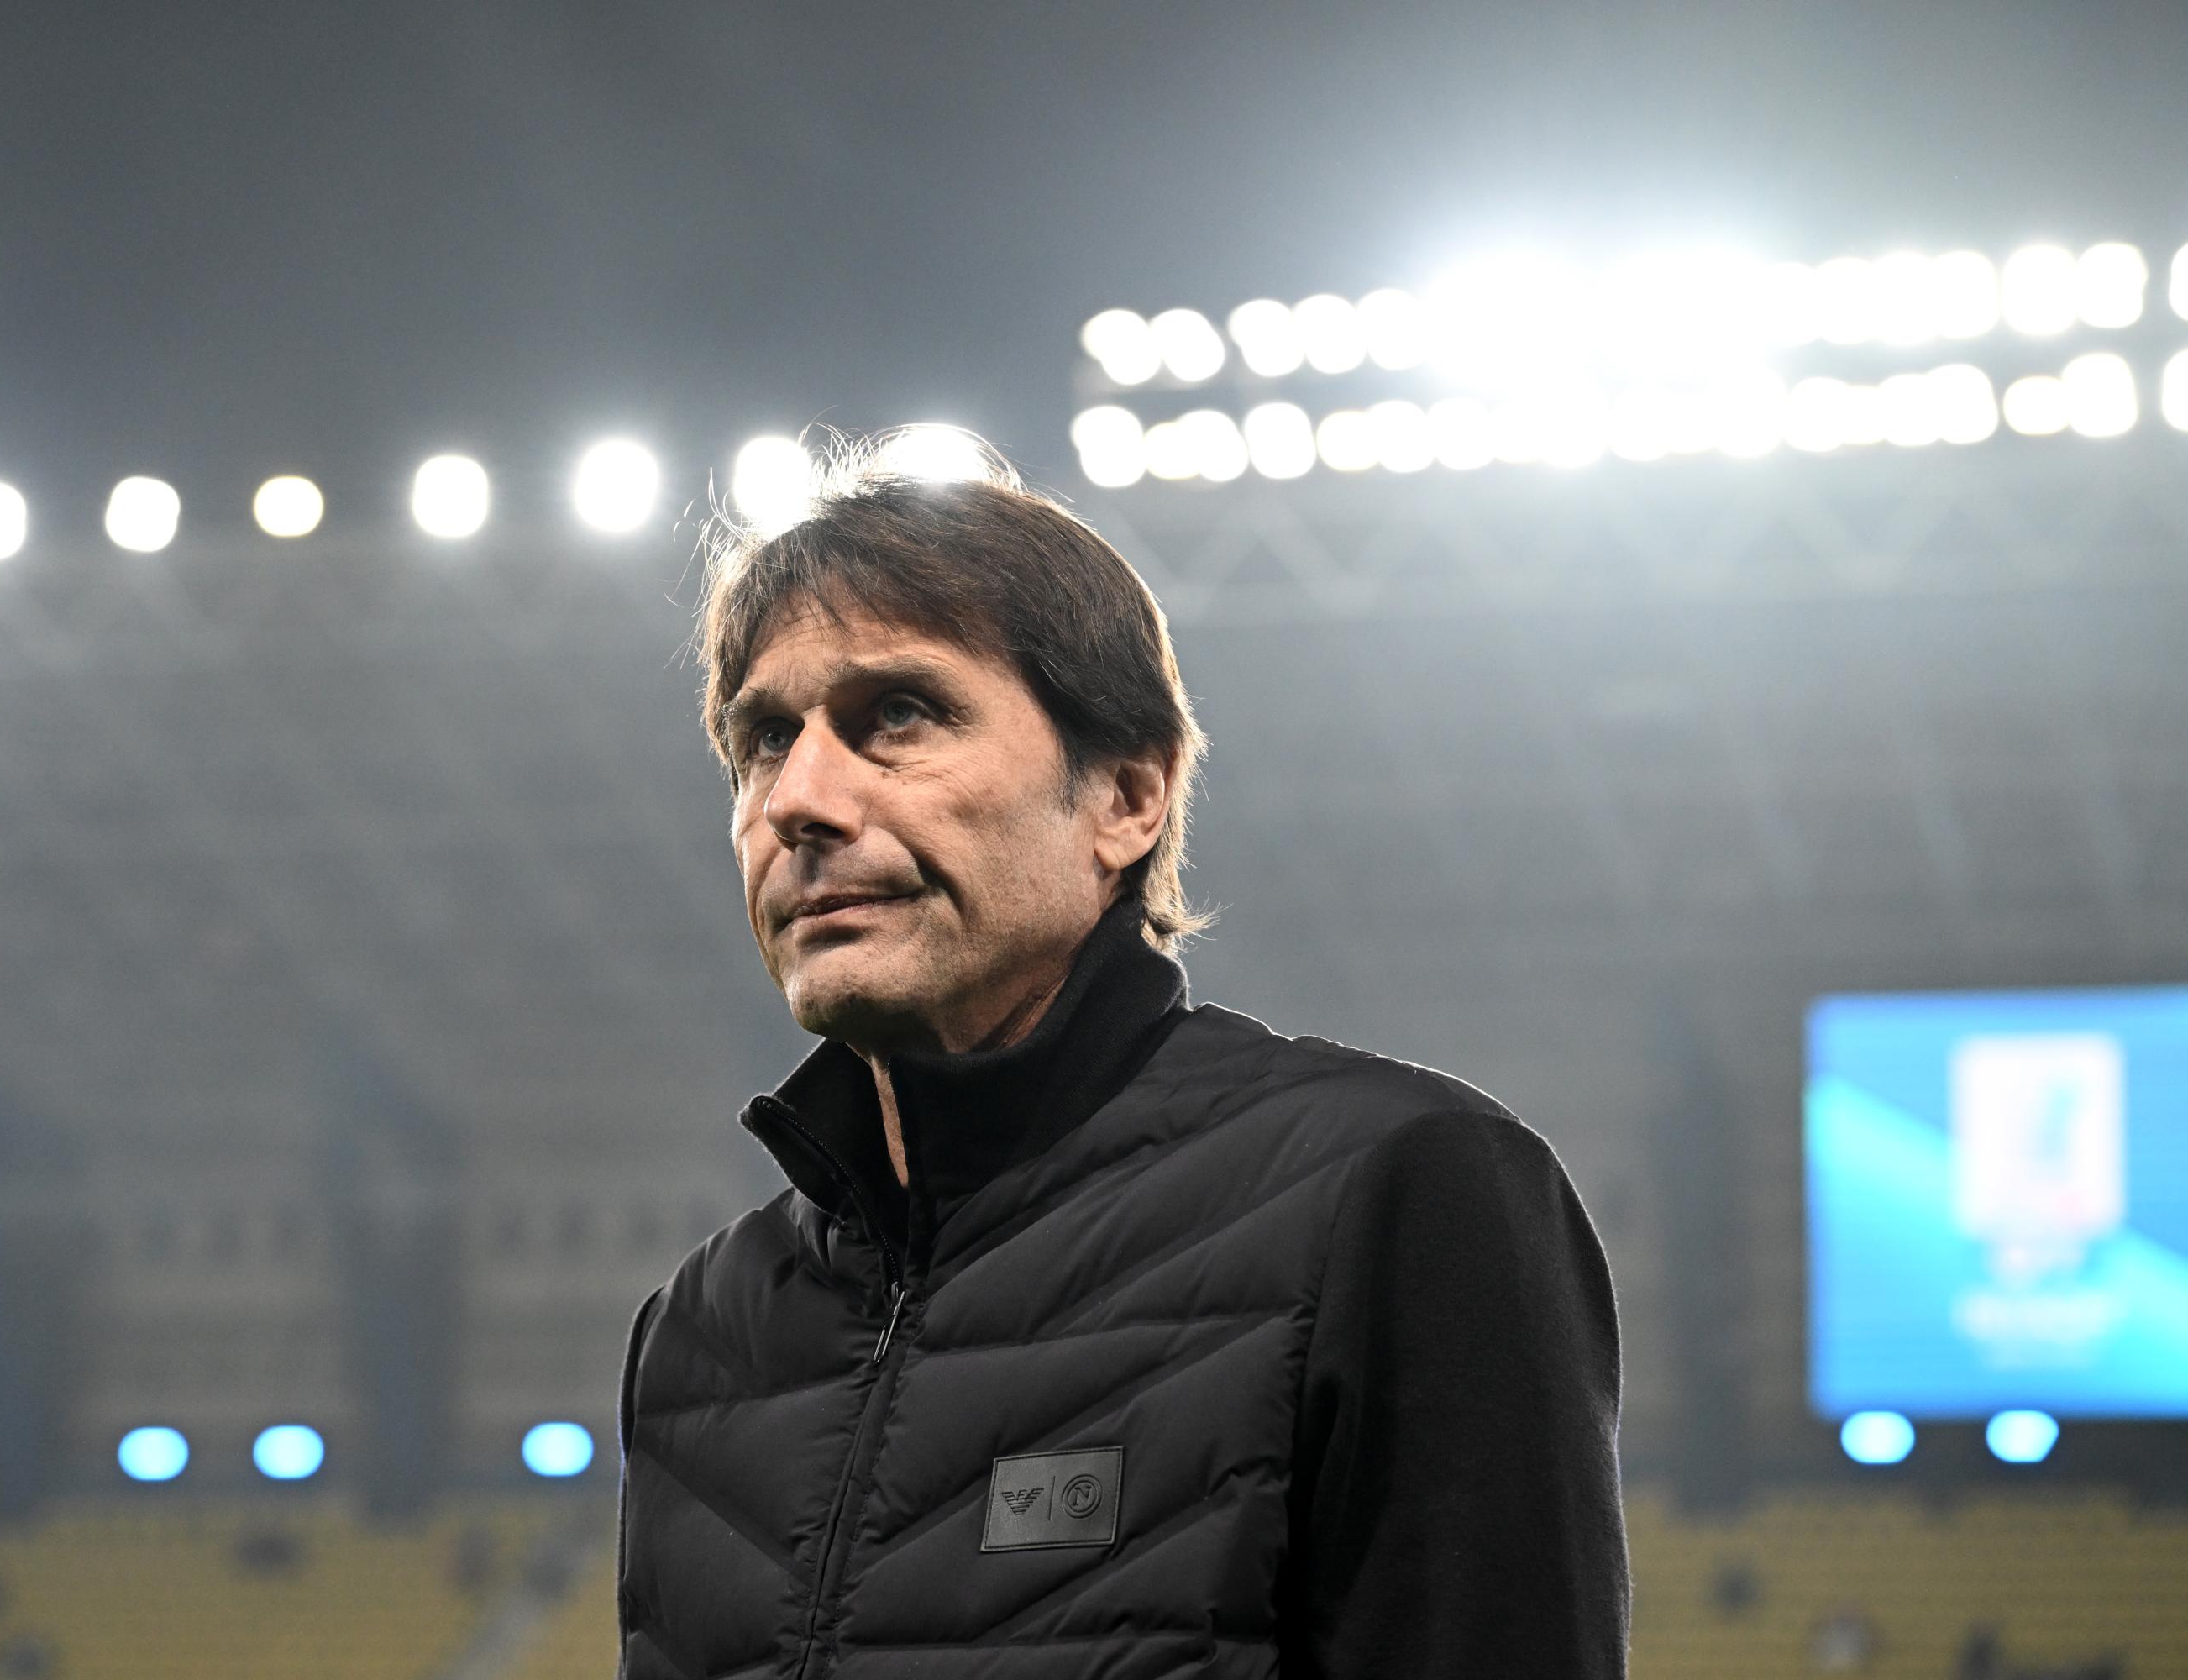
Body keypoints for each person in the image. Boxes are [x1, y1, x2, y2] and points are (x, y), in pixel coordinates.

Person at [615, 431, 1629, 1677]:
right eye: (766, 739)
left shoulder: (1404, 1193)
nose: (798, 801)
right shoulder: (700, 1332)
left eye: (900, 715)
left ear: (1127, 800)